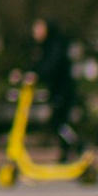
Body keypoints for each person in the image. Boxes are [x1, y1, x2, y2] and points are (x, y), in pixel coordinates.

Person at [30, 15, 82, 159]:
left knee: (58, 123)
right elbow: (39, 65)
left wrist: (36, 74)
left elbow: (51, 65)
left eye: (38, 28)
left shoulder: (54, 45)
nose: (35, 32)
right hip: (58, 90)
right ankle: (66, 153)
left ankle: (78, 145)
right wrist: (27, 72)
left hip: (62, 91)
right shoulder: (48, 46)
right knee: (59, 122)